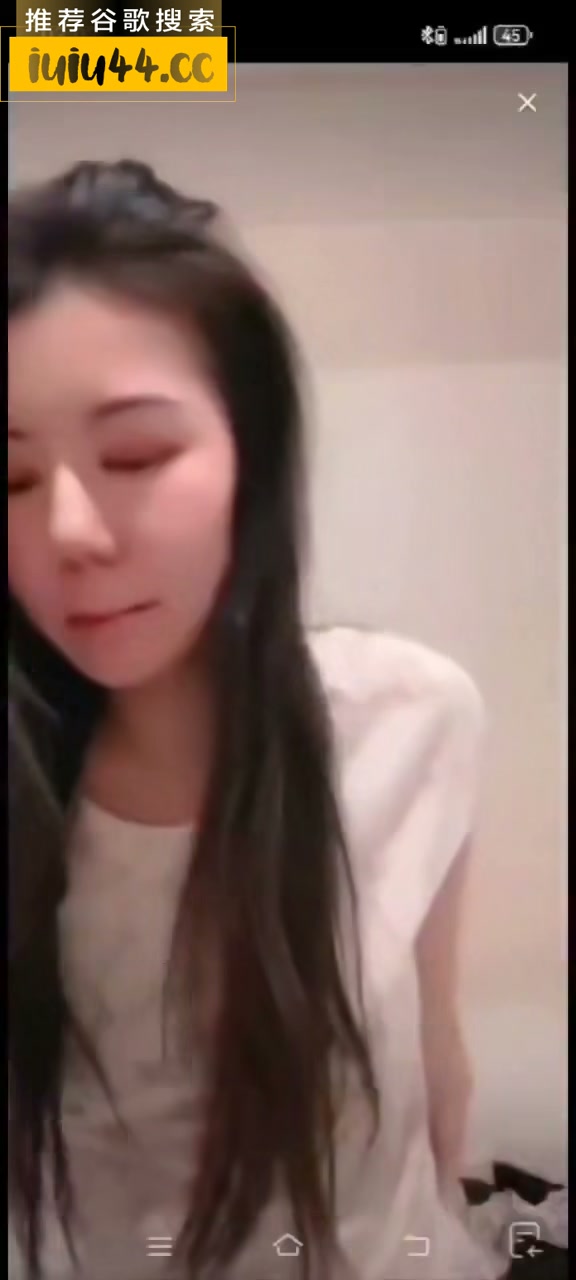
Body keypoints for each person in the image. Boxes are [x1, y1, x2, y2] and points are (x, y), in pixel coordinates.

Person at [8, 160, 506, 1280]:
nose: (71, 530)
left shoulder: (415, 717)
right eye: (12, 482)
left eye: (136, 455)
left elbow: (439, 1065)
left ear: (253, 451)